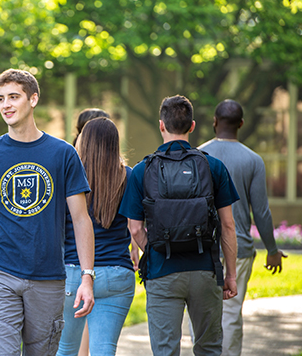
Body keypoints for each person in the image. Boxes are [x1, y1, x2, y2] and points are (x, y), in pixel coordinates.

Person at [0, 68, 95, 356]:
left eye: (13, 97)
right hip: (0, 273)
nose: (6, 105)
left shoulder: (62, 154)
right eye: (0, 99)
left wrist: (87, 277)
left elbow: (81, 218)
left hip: (48, 276)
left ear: (33, 99)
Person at [119, 95, 239, 356]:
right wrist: (230, 275)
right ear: (192, 126)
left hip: (162, 272)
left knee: (165, 350)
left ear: (161, 125)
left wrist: (157, 249)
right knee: (209, 348)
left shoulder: (142, 170)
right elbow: (229, 227)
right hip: (205, 270)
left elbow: (135, 228)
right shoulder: (213, 166)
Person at [198, 99, 287, 356]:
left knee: (202, 312)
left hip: (203, 247)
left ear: (215, 122)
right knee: (231, 313)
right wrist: (271, 249)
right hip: (239, 250)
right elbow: (260, 211)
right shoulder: (253, 160)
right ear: (241, 124)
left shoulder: (199, 155)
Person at [57, 117, 136, 356]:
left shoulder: (68, 177)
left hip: (73, 273)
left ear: (83, 142)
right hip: (117, 274)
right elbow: (136, 228)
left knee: (66, 350)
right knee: (104, 351)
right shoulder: (129, 177)